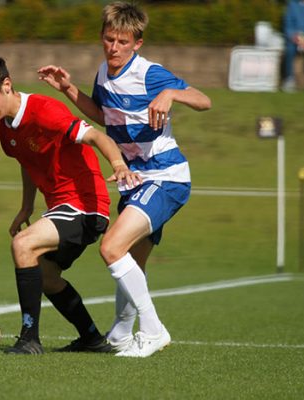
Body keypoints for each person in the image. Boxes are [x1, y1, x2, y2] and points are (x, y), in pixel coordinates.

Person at [38, 1, 211, 358]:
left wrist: (171, 93)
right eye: (108, 39)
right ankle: (119, 334)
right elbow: (104, 116)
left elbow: (203, 100)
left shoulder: (150, 74)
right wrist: (68, 90)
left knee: (111, 247)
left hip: (166, 178)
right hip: (135, 181)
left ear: (137, 44)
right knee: (133, 259)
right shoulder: (103, 73)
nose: (113, 47)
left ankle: (153, 330)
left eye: (121, 41)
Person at [0, 55, 143, 354]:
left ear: (6, 85)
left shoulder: (45, 110)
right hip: (61, 208)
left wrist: (118, 164)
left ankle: (29, 339)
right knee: (46, 276)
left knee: (23, 245)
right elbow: (29, 162)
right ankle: (91, 338)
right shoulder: (5, 130)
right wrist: (26, 207)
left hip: (86, 206)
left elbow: (97, 136)